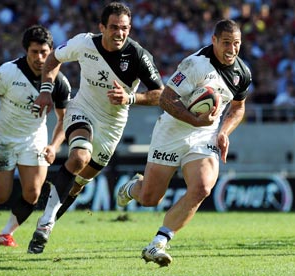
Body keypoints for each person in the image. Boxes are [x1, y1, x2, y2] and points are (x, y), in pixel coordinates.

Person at [26, 2, 164, 254]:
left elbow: (159, 94)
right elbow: (54, 58)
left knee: (78, 184)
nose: (119, 33)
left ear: (130, 28)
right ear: (102, 27)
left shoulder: (139, 56)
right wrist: (46, 91)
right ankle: (45, 225)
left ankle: (48, 220)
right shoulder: (84, 43)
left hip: (112, 126)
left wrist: (131, 98)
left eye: (124, 28)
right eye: (113, 27)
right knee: (79, 156)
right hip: (83, 110)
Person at [117, 19, 252, 266]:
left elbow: (238, 108)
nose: (232, 49)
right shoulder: (195, 65)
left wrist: (224, 132)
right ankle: (132, 188)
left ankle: (158, 243)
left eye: (236, 44)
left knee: (202, 187)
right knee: (149, 198)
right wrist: (193, 119)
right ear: (214, 40)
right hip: (172, 131)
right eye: (226, 43)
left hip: (204, 136)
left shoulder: (242, 72)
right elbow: (166, 99)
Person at [0, 25, 71, 247]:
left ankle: (6, 233)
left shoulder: (60, 82)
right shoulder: (8, 72)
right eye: (34, 52)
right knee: (0, 196)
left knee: (33, 193)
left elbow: (64, 119)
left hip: (33, 139)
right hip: (2, 139)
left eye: (44, 53)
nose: (39, 58)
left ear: (51, 51)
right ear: (25, 50)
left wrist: (54, 146)